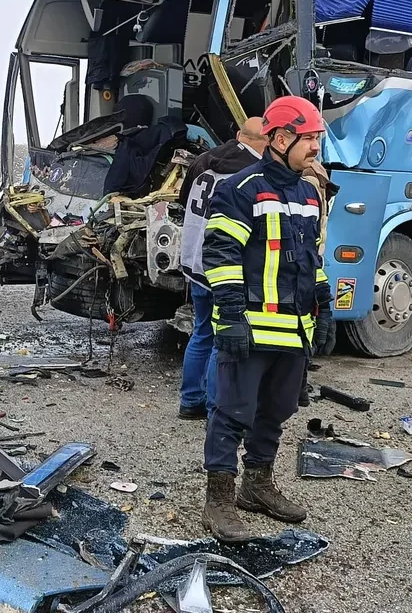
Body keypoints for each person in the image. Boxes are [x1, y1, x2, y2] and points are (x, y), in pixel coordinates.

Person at [199, 96, 335, 542]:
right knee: (231, 413)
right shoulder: (240, 189)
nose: (315, 148)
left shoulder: (308, 194)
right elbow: (221, 256)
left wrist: (323, 303)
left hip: (294, 331)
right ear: (279, 139)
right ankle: (219, 500)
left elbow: (310, 258)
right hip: (250, 328)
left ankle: (256, 486)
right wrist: (231, 317)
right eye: (308, 138)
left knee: (276, 411)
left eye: (316, 139)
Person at [177, 117, 268, 420]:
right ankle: (217, 410)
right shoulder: (253, 173)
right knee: (223, 339)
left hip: (195, 260)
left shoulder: (203, 160)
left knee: (201, 331)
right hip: (226, 267)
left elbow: (182, 201)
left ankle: (190, 400)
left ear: (239, 135)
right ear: (265, 142)